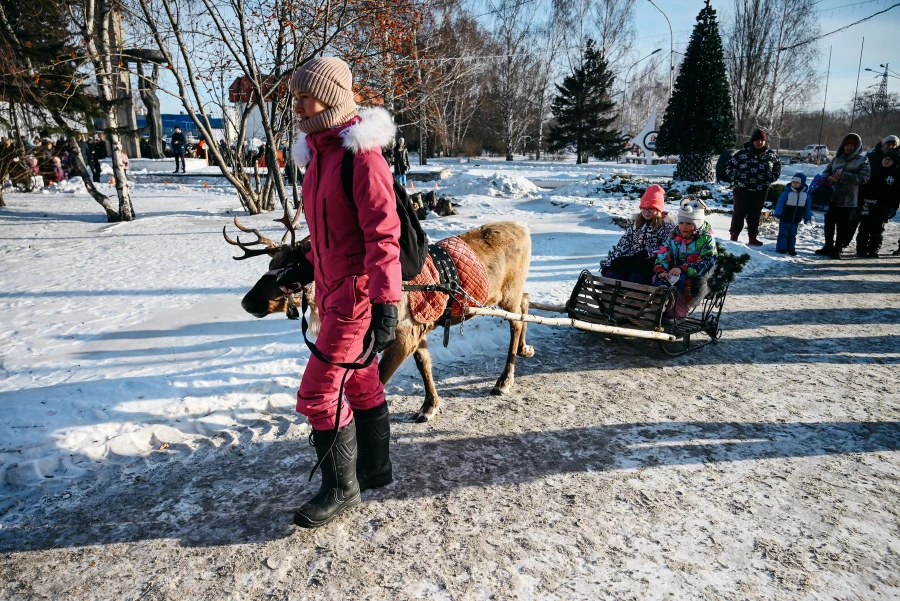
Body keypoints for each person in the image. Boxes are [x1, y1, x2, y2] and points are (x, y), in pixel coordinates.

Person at [286, 57, 400, 529]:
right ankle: (376, 469)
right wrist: (304, 268)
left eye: (303, 96)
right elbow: (330, 236)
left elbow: (382, 236)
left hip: (357, 296)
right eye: (293, 97)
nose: (296, 106)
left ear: (331, 97)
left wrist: (387, 303)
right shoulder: (318, 153)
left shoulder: (361, 156)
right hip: (331, 292)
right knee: (358, 380)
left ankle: (342, 488)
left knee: (317, 394)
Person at [654, 199, 718, 319]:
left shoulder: (706, 239)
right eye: (681, 223)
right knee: (658, 279)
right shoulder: (674, 235)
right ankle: (656, 308)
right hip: (673, 272)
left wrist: (683, 269)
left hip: (693, 275)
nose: (684, 227)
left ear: (697, 223)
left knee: (679, 282)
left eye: (689, 223)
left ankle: (674, 313)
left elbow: (708, 261)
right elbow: (663, 252)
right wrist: (661, 269)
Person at [601, 184, 675, 284]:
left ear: (658, 209)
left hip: (653, 262)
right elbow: (623, 244)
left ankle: (635, 296)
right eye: (644, 208)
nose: (646, 212)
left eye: (650, 209)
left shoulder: (666, 226)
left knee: (640, 267)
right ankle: (610, 293)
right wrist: (609, 263)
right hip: (633, 257)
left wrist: (648, 253)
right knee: (617, 264)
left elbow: (667, 247)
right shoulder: (637, 224)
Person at [814, 133, 870, 259]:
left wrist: (844, 176)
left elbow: (864, 178)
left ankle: (838, 248)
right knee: (829, 223)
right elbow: (826, 171)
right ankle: (828, 246)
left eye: (852, 145)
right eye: (847, 145)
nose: (849, 148)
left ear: (857, 147)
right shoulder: (836, 158)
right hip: (831, 197)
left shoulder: (862, 160)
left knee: (842, 225)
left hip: (848, 199)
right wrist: (829, 177)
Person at [726, 128, 781, 246]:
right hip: (742, 189)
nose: (759, 142)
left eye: (762, 140)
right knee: (738, 213)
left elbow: (777, 167)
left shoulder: (771, 155)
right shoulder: (741, 154)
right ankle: (734, 236)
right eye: (757, 140)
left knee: (755, 214)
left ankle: (752, 237)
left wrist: (770, 178)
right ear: (752, 141)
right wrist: (738, 177)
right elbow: (729, 167)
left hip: (760, 190)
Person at [855, 150, 899, 257]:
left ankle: (873, 250)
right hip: (868, 204)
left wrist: (894, 207)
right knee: (864, 227)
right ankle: (861, 249)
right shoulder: (872, 171)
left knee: (877, 229)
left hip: (883, 207)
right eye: (885, 159)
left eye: (889, 159)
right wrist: (859, 203)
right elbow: (862, 188)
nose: (886, 161)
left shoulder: (895, 176)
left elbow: (896, 193)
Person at [773, 173, 812, 256]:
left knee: (792, 235)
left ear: (802, 183)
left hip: (796, 219)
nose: (794, 183)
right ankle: (781, 248)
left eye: (797, 182)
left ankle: (791, 248)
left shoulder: (806, 195)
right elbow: (780, 203)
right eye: (793, 181)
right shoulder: (787, 193)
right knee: (783, 234)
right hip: (785, 217)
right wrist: (778, 212)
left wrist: (807, 217)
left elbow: (807, 207)